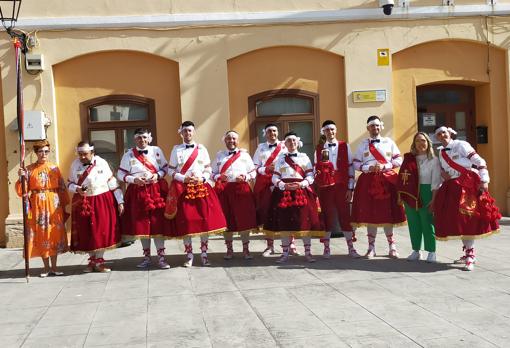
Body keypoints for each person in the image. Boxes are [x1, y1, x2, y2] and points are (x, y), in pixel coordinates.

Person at [433, 126, 501, 271]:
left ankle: (470, 255)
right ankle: (468, 251)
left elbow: (480, 161)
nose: (442, 135)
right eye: (439, 134)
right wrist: (443, 175)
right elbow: (445, 170)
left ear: (450, 133)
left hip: (469, 185)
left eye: (444, 132)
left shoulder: (461, 145)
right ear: (437, 137)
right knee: (459, 221)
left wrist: (484, 180)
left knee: (468, 218)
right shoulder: (440, 152)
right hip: (453, 187)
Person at [166, 121, 227, 267]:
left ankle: (204, 254)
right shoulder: (176, 150)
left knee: (204, 220)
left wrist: (202, 178)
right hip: (183, 189)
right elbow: (170, 170)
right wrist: (183, 178)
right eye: (185, 131)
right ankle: (189, 255)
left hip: (201, 188)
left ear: (194, 132)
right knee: (187, 222)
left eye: (190, 131)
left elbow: (208, 169)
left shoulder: (202, 149)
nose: (187, 134)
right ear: (181, 133)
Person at [351, 115, 406, 258]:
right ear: (367, 128)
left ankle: (392, 246)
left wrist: (385, 165)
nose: (374, 128)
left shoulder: (389, 142)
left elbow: (399, 160)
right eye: (371, 126)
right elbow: (356, 163)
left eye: (377, 125)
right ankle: (371, 248)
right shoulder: (362, 144)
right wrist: (367, 167)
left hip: (387, 180)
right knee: (370, 214)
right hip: (368, 182)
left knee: (388, 213)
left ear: (381, 126)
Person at [264, 131, 323, 263]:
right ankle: (285, 253)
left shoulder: (304, 158)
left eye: (293, 140)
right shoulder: (280, 159)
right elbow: (275, 177)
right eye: (289, 141)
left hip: (301, 191)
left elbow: (310, 175)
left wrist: (302, 184)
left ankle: (308, 253)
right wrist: (283, 185)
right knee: (284, 223)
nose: (291, 143)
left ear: (298, 142)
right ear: (285, 144)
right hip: (284, 193)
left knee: (304, 222)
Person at [118, 128, 172, 269]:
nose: (142, 140)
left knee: (157, 223)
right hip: (137, 192)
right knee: (142, 225)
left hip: (156, 190)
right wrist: (133, 179)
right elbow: (120, 174)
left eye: (144, 137)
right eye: (138, 138)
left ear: (149, 138)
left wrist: (157, 175)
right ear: (134, 139)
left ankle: (161, 258)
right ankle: (146, 257)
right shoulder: (128, 154)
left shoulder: (156, 151)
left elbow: (165, 168)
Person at [68, 142, 124, 272]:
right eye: (80, 154)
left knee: (100, 230)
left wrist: (120, 201)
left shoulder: (102, 163)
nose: (82, 157)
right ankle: (91, 260)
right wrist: (77, 189)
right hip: (82, 200)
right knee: (86, 230)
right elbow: (69, 183)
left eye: (85, 154)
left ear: (92, 153)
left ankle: (99, 261)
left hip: (101, 199)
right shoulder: (74, 164)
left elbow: (112, 182)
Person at [16, 140, 69, 277]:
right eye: (40, 151)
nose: (43, 154)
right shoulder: (28, 169)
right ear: (36, 153)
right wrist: (21, 177)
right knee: (42, 234)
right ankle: (46, 268)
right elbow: (22, 190)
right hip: (38, 204)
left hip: (53, 204)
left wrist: (64, 206)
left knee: (54, 234)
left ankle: (55, 267)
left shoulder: (54, 168)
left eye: (46, 151)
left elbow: (62, 187)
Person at [314, 120, 360, 258]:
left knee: (345, 215)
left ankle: (351, 248)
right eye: (327, 130)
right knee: (327, 215)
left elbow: (351, 166)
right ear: (324, 132)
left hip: (342, 186)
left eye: (332, 129)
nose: (330, 132)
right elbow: (316, 169)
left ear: (336, 130)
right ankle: (326, 248)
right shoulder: (319, 149)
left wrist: (350, 188)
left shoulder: (344, 146)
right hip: (326, 188)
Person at [252, 124, 300, 256]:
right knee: (268, 214)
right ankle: (270, 246)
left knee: (288, 212)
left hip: (283, 184)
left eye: (274, 131)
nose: (272, 133)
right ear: (265, 134)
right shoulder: (260, 148)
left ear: (277, 133)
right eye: (269, 131)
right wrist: (266, 169)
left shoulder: (286, 145)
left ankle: (291, 245)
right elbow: (254, 167)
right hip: (266, 185)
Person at [212, 130, 257, 260]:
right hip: (225, 190)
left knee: (244, 219)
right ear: (224, 141)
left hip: (242, 189)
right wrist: (218, 176)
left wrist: (246, 176)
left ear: (237, 141)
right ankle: (229, 249)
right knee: (227, 219)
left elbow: (253, 172)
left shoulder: (244, 155)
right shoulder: (219, 156)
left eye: (234, 139)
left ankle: (246, 249)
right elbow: (211, 172)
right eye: (229, 139)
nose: (231, 141)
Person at [396, 132, 441, 263]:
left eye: (423, 141)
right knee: (413, 223)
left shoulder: (434, 160)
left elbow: (436, 182)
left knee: (427, 223)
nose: (421, 144)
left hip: (427, 192)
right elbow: (401, 177)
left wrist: (433, 199)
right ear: (414, 144)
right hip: (410, 193)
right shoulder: (409, 159)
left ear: (428, 143)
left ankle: (432, 252)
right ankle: (416, 250)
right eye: (418, 141)